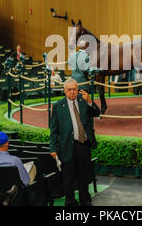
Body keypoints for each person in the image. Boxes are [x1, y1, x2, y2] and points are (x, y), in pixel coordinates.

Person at [49, 78, 101, 206]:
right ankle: (70, 202)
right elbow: (54, 130)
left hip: (84, 144)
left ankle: (86, 202)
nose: (72, 92)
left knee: (84, 177)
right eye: (69, 89)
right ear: (64, 91)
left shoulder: (84, 101)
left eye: (75, 89)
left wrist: (90, 101)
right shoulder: (57, 106)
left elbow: (96, 113)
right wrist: (53, 148)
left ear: (78, 90)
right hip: (67, 146)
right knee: (68, 178)